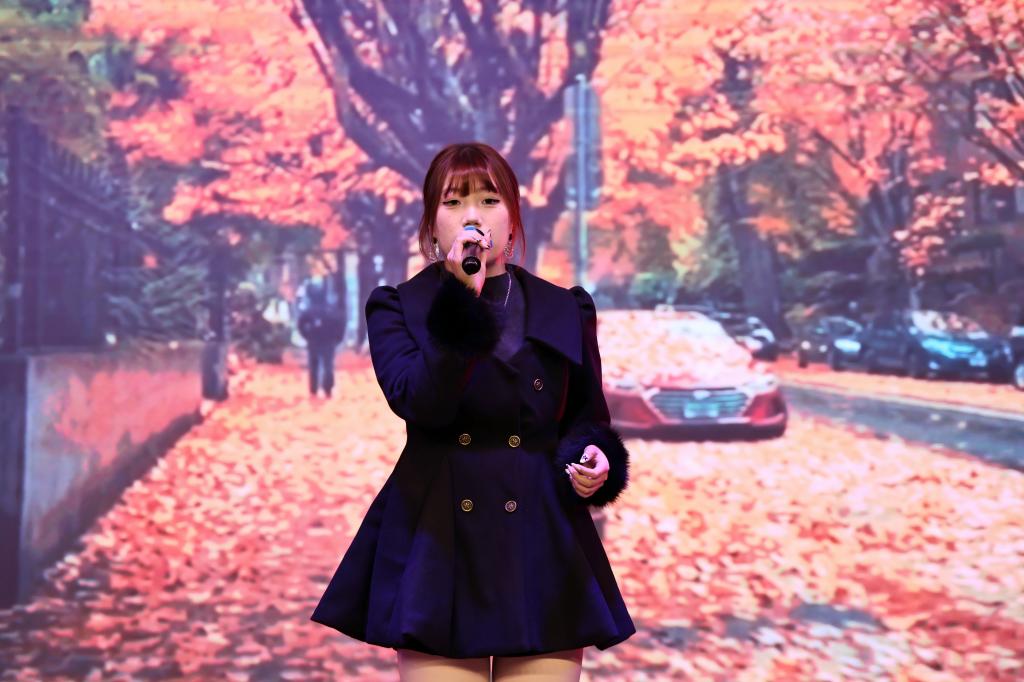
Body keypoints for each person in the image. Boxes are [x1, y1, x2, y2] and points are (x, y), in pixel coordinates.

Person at [310, 142, 634, 681]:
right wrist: (461, 300)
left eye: (488, 200)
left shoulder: (563, 306)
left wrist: (595, 462)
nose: (473, 217)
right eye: (454, 202)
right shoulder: (399, 306)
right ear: (431, 226)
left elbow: (586, 419)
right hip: (438, 539)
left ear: (513, 218)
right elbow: (420, 402)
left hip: (541, 536)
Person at [296, 262, 344, 397]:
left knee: (314, 365)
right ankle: (327, 388)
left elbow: (300, 325)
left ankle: (314, 389)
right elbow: (339, 324)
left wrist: (306, 335)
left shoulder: (309, 311)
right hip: (327, 340)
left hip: (315, 340)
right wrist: (337, 338)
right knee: (328, 364)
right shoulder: (330, 310)